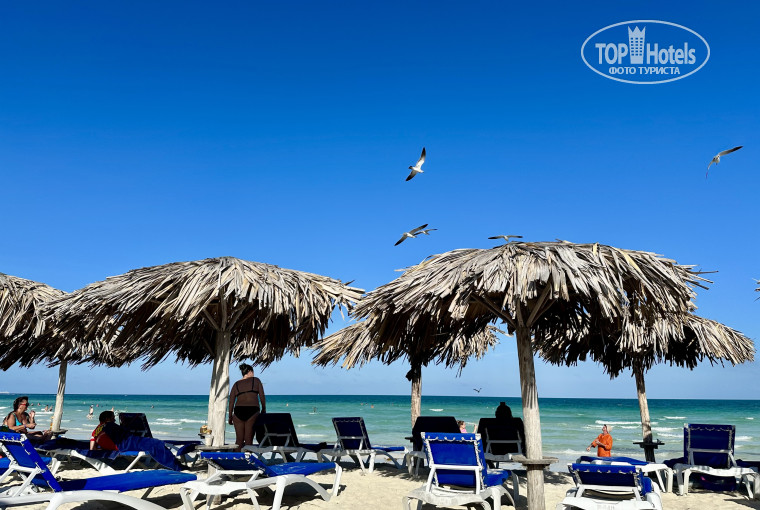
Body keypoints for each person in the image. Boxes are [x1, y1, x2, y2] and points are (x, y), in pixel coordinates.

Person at [90, 410, 182, 470]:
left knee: (153, 444)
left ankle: (173, 463)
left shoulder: (95, 431)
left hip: (117, 447)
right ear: (107, 419)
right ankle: (175, 465)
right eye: (113, 417)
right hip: (122, 446)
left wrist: (104, 449)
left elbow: (92, 448)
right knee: (156, 444)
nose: (114, 419)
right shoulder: (109, 425)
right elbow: (125, 432)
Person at [228, 363, 266, 450]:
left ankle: (236, 457)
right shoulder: (256, 380)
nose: (253, 374)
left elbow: (231, 402)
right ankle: (247, 457)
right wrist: (264, 409)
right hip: (252, 410)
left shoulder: (236, 384)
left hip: (238, 411)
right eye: (253, 372)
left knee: (239, 440)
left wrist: (230, 416)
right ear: (249, 372)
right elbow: (262, 396)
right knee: (248, 440)